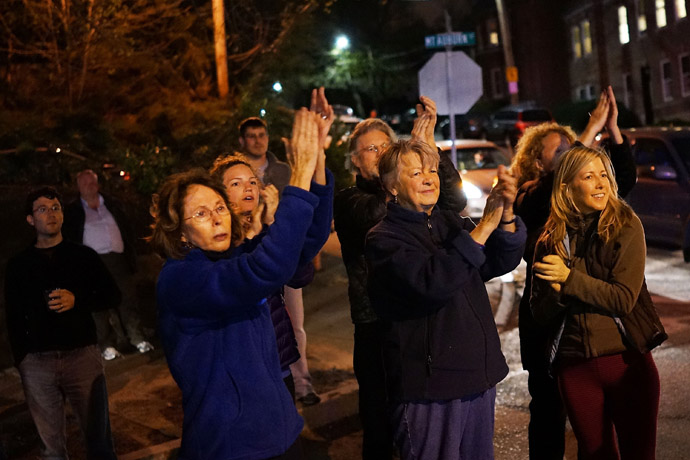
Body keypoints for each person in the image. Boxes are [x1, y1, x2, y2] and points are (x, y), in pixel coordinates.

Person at [150, 108, 333, 459]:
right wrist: (299, 176)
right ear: (181, 232)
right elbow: (264, 270)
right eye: (201, 213)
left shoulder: (234, 256)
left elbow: (305, 245)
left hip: (279, 429)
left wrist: (316, 163)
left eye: (219, 207)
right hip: (231, 443)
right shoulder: (180, 279)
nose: (217, 217)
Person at [365, 139, 526, 460]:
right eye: (415, 173)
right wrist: (483, 229)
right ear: (392, 187)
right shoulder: (383, 239)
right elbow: (432, 281)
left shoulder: (448, 222)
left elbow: (497, 260)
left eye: (432, 170)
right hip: (430, 389)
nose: (429, 179)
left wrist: (506, 216)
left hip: (476, 377)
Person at [333, 96, 466, 459]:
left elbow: (453, 200)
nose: (379, 154)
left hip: (420, 319)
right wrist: (402, 175)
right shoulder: (350, 200)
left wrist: (427, 151)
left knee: (417, 417)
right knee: (379, 416)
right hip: (376, 324)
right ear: (355, 161)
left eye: (385, 146)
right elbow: (381, 214)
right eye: (370, 149)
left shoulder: (412, 186)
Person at [511, 86, 637, 460]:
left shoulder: (589, 205)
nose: (574, 159)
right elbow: (553, 188)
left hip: (586, 328)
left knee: (594, 429)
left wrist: (612, 131)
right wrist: (588, 130)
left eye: (576, 151)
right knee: (549, 418)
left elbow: (622, 181)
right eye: (562, 153)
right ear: (538, 162)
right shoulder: (529, 196)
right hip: (547, 328)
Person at [530, 145, 666, 459]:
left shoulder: (625, 225)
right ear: (566, 187)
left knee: (639, 452)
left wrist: (568, 278)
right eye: (589, 176)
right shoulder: (550, 239)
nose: (601, 183)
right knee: (594, 454)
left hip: (626, 361)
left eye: (603, 175)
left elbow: (622, 299)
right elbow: (540, 312)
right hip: (575, 366)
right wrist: (555, 292)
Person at [4, 187, 120, 460]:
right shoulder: (19, 265)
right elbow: (13, 315)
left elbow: (112, 295)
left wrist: (77, 300)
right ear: (30, 220)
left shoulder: (83, 256)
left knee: (99, 441)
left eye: (55, 208)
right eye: (42, 209)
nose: (51, 214)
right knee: (52, 449)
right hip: (38, 363)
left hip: (81, 357)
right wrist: (23, 358)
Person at [239, 104, 328, 405]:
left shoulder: (283, 170)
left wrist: (316, 162)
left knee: (292, 325)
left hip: (283, 253)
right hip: (261, 259)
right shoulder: (229, 252)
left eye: (261, 134)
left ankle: (302, 383)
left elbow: (309, 228)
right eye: (251, 136)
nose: (257, 140)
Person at [209, 153, 309, 400]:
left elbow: (301, 276)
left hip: (281, 361)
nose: (248, 188)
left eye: (252, 181)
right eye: (236, 183)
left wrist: (274, 222)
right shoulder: (220, 247)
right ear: (219, 195)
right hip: (247, 369)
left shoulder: (270, 232)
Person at [63, 169, 154, 360]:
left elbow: (125, 228)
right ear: (79, 187)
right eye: (86, 183)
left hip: (117, 259)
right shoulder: (74, 212)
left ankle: (137, 338)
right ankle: (107, 345)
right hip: (92, 264)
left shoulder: (111, 204)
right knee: (98, 306)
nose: (90, 186)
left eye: (93, 182)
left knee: (127, 298)